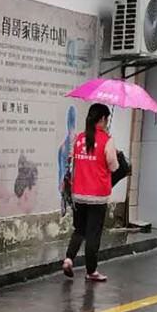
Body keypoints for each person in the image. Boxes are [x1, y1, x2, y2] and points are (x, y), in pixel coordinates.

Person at [62, 103, 118, 283]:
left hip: (79, 193)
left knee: (79, 230)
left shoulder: (79, 138)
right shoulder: (106, 140)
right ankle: (91, 271)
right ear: (101, 119)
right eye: (106, 119)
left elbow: (73, 161)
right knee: (93, 234)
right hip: (97, 196)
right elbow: (114, 166)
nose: (107, 122)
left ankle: (69, 258)